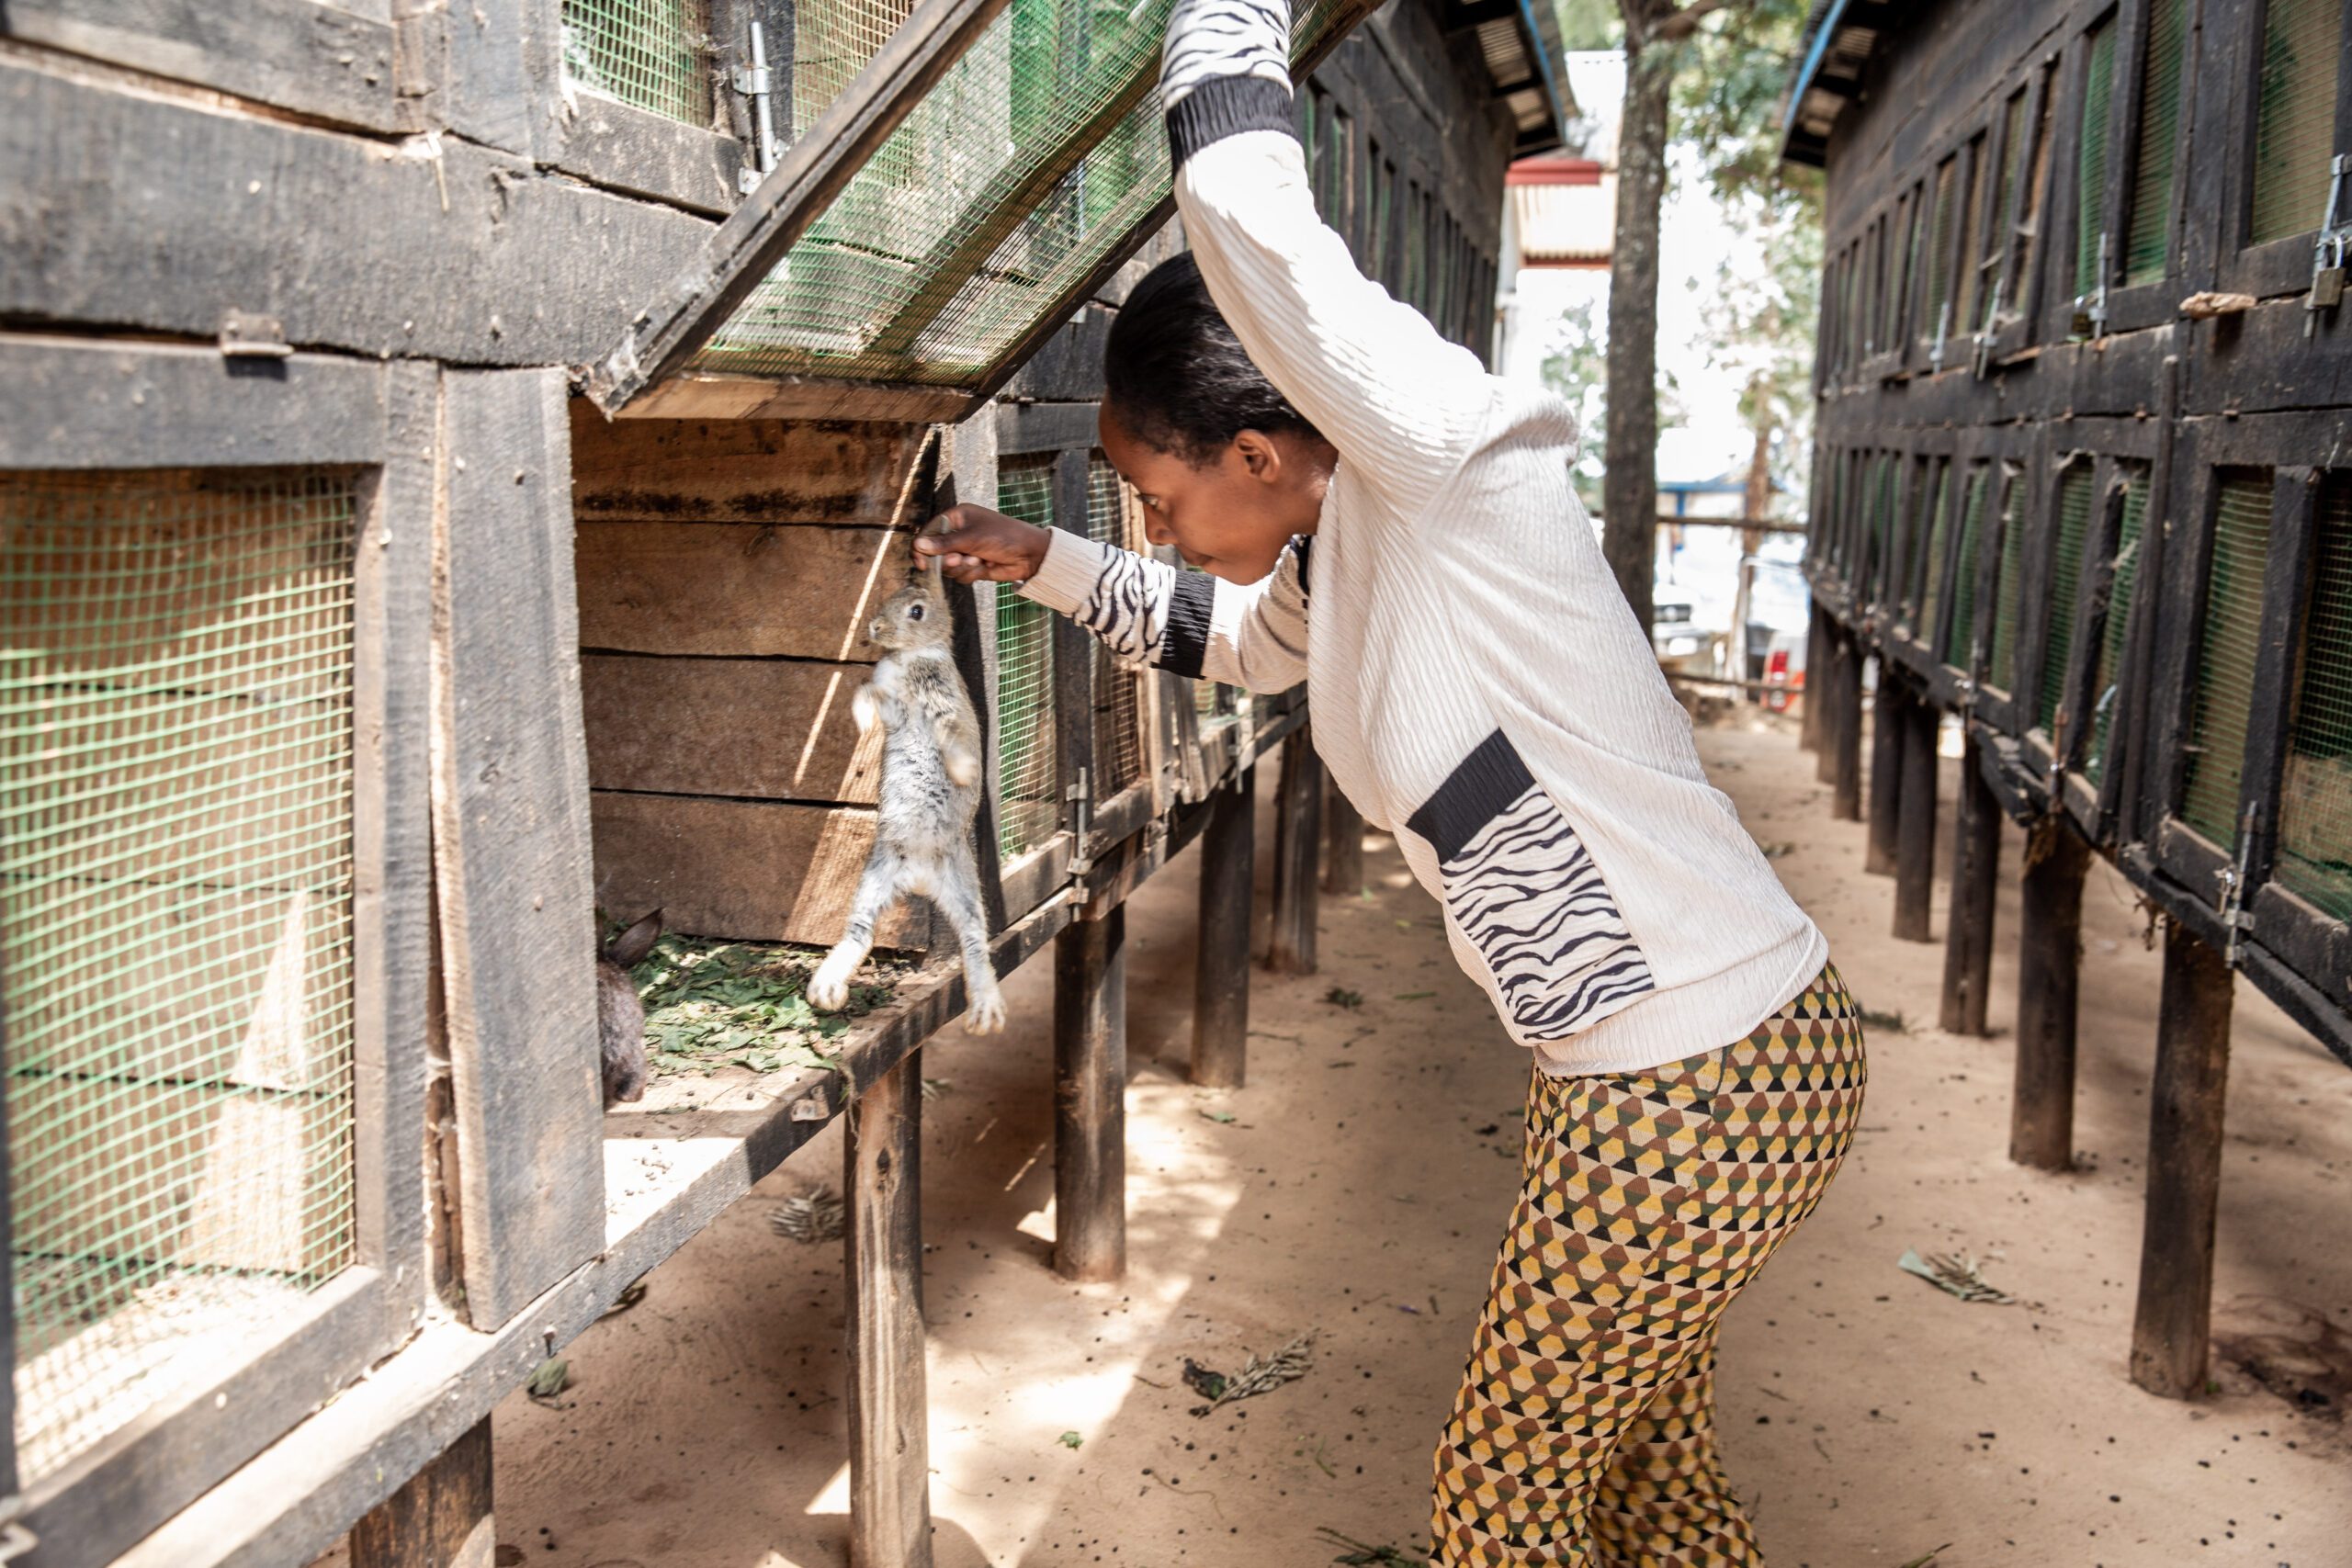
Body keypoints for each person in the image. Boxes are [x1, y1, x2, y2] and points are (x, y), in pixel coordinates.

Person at [916, 2, 1866, 1559]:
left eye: (1152, 496)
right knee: (1638, 1480)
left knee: (1503, 1502)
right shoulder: (1344, 545)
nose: (1150, 526)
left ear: (1261, 449)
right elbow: (1249, 648)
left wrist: (1229, 18)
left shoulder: (1441, 465)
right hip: (1664, 1073)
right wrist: (1046, 560)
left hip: (1698, 1081)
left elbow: (1237, 213)